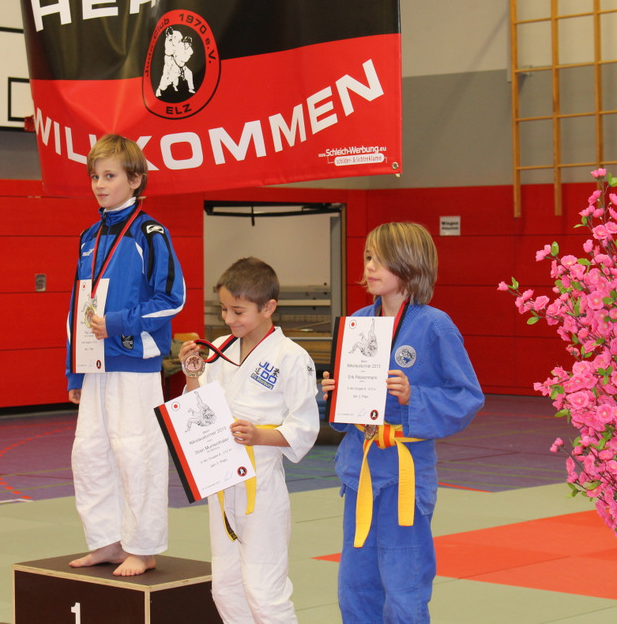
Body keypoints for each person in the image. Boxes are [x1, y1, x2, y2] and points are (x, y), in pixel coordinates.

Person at [321, 222, 483, 623]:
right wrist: (335, 394)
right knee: (355, 584)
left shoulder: (435, 325)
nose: (369, 267)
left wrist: (415, 397)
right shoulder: (358, 322)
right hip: (360, 469)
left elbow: (467, 396)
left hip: (404, 474)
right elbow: (346, 413)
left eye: (381, 259)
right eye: (368, 257)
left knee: (403, 586)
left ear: (410, 265)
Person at [65, 133, 186, 577]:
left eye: (110, 176)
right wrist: (74, 370)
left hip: (135, 363)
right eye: (95, 176)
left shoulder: (150, 234)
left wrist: (118, 322)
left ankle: (143, 546)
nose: (100, 184)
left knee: (137, 453)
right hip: (94, 364)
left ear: (135, 180)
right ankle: (107, 541)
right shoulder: (89, 236)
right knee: (90, 453)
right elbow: (77, 306)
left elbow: (171, 298)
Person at [179, 257, 319, 623]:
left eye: (238, 311)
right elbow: (199, 410)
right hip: (222, 478)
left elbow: (305, 426)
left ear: (268, 307)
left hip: (262, 482)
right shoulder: (220, 348)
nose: (228, 319)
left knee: (264, 591)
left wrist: (260, 435)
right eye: (223, 309)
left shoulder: (291, 357)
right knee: (225, 587)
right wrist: (192, 374)